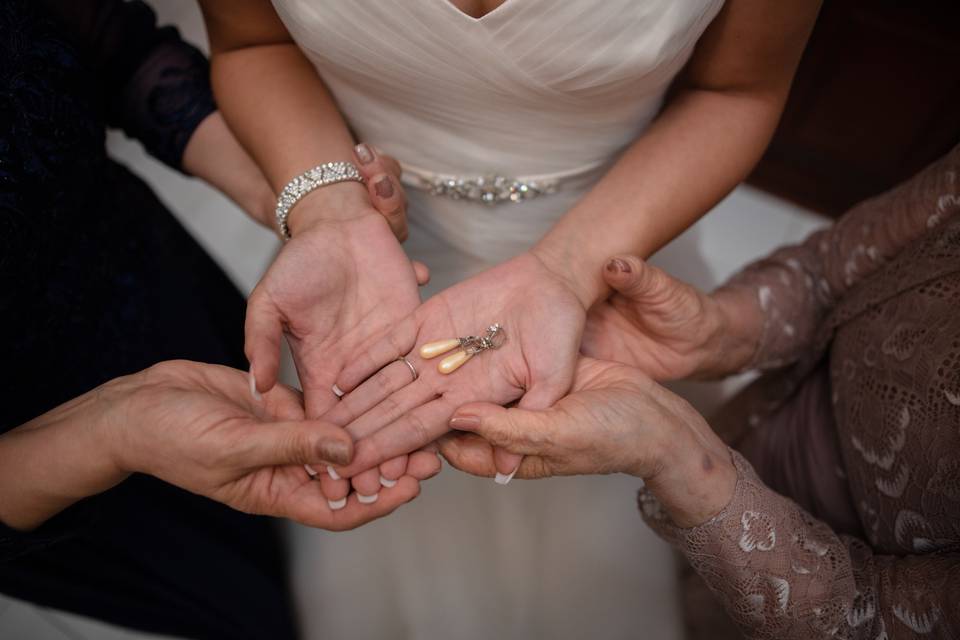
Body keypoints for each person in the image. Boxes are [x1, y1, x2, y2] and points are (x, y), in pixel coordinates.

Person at [199, 1, 822, 634]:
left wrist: (567, 268)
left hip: (614, 231)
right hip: (368, 258)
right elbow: (250, 45)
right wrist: (328, 209)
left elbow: (736, 91)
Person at [0, 2, 435, 638]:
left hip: (167, 303)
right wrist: (114, 433)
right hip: (43, 490)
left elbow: (126, 60)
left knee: (313, 536)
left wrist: (308, 205)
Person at [440, 145, 960, 639]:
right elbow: (830, 268)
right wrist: (718, 333)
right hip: (753, 418)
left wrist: (680, 455)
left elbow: (870, 625)